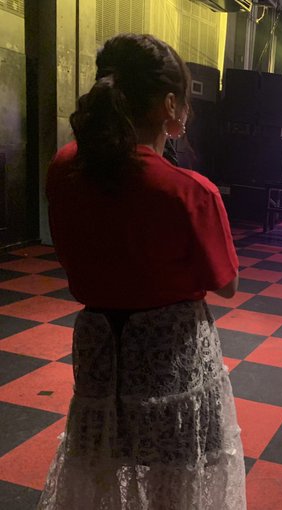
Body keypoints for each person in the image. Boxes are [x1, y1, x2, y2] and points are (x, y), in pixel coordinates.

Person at [39, 34, 246, 509]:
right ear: (170, 105)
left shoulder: (65, 167)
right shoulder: (188, 190)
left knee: (99, 466)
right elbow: (227, 284)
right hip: (168, 356)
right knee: (177, 479)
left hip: (100, 349)